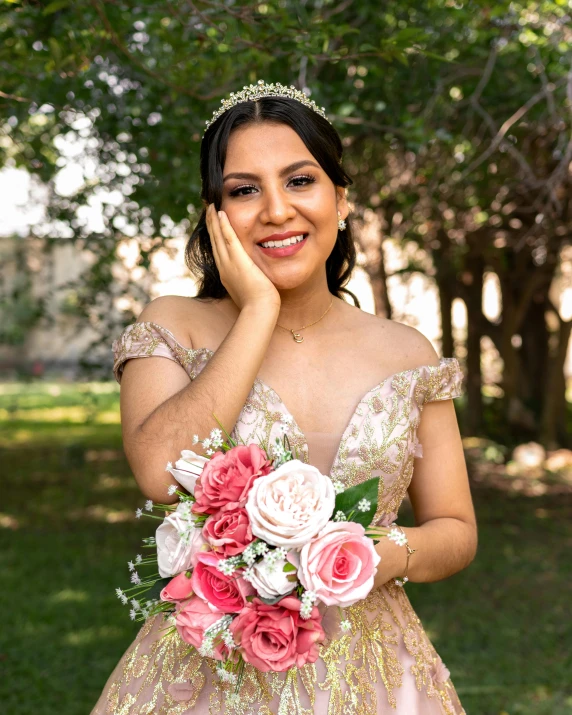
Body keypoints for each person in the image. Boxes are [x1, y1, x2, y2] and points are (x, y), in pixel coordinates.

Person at [91, 80, 477, 714]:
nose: (275, 210)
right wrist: (257, 313)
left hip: (375, 676)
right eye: (244, 190)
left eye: (300, 180)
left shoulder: (407, 352)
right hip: (207, 676)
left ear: (341, 199)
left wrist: (374, 557)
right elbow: (159, 473)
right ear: (215, 215)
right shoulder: (174, 323)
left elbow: (457, 529)